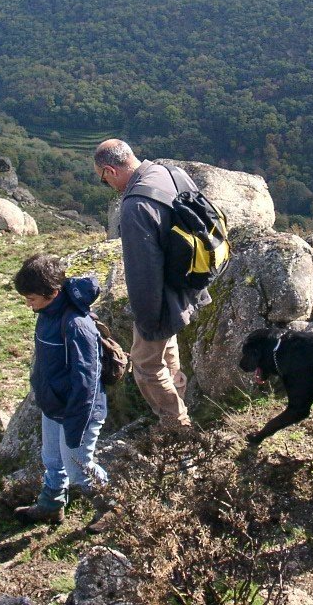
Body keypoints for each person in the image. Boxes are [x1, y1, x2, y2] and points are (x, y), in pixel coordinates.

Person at [93, 139, 210, 428]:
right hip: (192, 282)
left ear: (110, 171)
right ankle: (180, 399)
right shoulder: (170, 172)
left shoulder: (135, 206)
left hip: (164, 296)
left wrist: (147, 320)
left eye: (103, 179)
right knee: (167, 348)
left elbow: (143, 271)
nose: (107, 185)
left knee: (146, 365)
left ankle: (176, 424)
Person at [11, 255, 113, 531]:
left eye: (31, 298)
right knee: (53, 461)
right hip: (55, 406)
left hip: (79, 412)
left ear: (52, 293)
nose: (28, 303)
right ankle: (51, 506)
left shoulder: (76, 325)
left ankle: (112, 506)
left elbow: (87, 382)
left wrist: (76, 425)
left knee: (79, 468)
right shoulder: (47, 314)